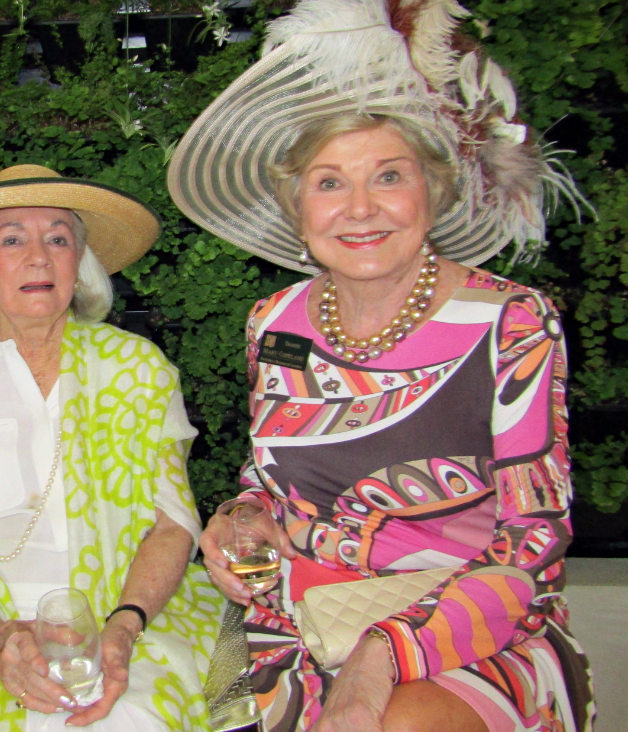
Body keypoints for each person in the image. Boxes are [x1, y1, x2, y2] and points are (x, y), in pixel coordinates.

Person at [167, 1, 595, 731]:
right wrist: (240, 515)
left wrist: (380, 657)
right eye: (329, 181)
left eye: (388, 175)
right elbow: (268, 480)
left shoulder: (511, 321)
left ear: (433, 190)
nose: (359, 208)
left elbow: (533, 540)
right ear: (296, 205)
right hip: (297, 614)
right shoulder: (273, 321)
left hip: (467, 623)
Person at [0, 165, 222, 732]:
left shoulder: (137, 368)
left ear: (80, 263)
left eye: (58, 238)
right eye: (11, 239)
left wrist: (121, 628)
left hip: (130, 615)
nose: (38, 257)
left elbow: (172, 524)